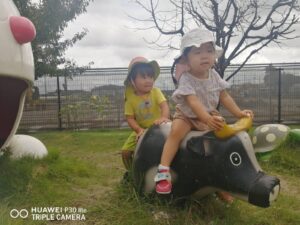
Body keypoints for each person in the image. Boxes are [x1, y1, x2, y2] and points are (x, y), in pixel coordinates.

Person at [154, 28, 254, 202]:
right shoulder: (186, 78)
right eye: (197, 52)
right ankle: (163, 172)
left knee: (218, 146)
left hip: (208, 116)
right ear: (186, 59)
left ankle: (220, 184)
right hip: (187, 116)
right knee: (175, 133)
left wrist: (238, 113)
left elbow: (224, 96)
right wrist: (207, 119)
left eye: (209, 51)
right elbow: (192, 102)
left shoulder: (214, 75)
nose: (205, 56)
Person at [121, 56, 170, 171]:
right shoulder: (130, 100)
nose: (148, 80)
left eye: (150, 76)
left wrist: (164, 117)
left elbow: (164, 106)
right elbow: (130, 118)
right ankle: (132, 173)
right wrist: (138, 130)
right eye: (143, 77)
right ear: (133, 81)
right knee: (126, 152)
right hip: (142, 129)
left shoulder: (156, 92)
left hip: (160, 126)